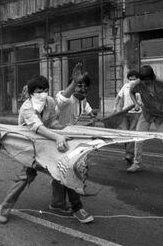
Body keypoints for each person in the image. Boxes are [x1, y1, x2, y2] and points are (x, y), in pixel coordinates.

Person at [0, 75, 93, 224]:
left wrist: (67, 130)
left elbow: (53, 121)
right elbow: (38, 128)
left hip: (47, 144)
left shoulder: (49, 102)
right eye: (39, 91)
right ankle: (4, 208)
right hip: (30, 148)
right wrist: (57, 137)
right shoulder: (27, 107)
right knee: (25, 178)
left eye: (45, 90)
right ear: (31, 93)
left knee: (64, 168)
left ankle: (61, 204)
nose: (43, 94)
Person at [54, 63, 95, 223]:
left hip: (70, 140)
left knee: (59, 173)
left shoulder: (82, 101)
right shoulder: (67, 97)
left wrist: (92, 118)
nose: (82, 89)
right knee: (70, 169)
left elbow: (89, 110)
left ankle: (57, 203)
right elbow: (61, 101)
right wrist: (73, 83)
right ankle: (77, 207)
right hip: (56, 139)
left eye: (85, 86)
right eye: (79, 85)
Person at [128, 65, 163, 181]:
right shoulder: (137, 84)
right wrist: (136, 104)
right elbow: (131, 92)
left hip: (160, 114)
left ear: (152, 78)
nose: (146, 84)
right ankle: (136, 163)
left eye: (148, 82)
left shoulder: (162, 82)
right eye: (144, 82)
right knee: (138, 138)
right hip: (146, 113)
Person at [113, 70, 142, 165]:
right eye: (130, 79)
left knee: (132, 132)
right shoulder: (125, 86)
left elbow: (144, 101)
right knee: (125, 133)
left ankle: (129, 154)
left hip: (136, 114)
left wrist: (140, 104)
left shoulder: (141, 88)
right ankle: (129, 153)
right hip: (125, 113)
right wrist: (116, 108)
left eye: (134, 79)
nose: (132, 81)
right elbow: (118, 97)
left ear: (138, 79)